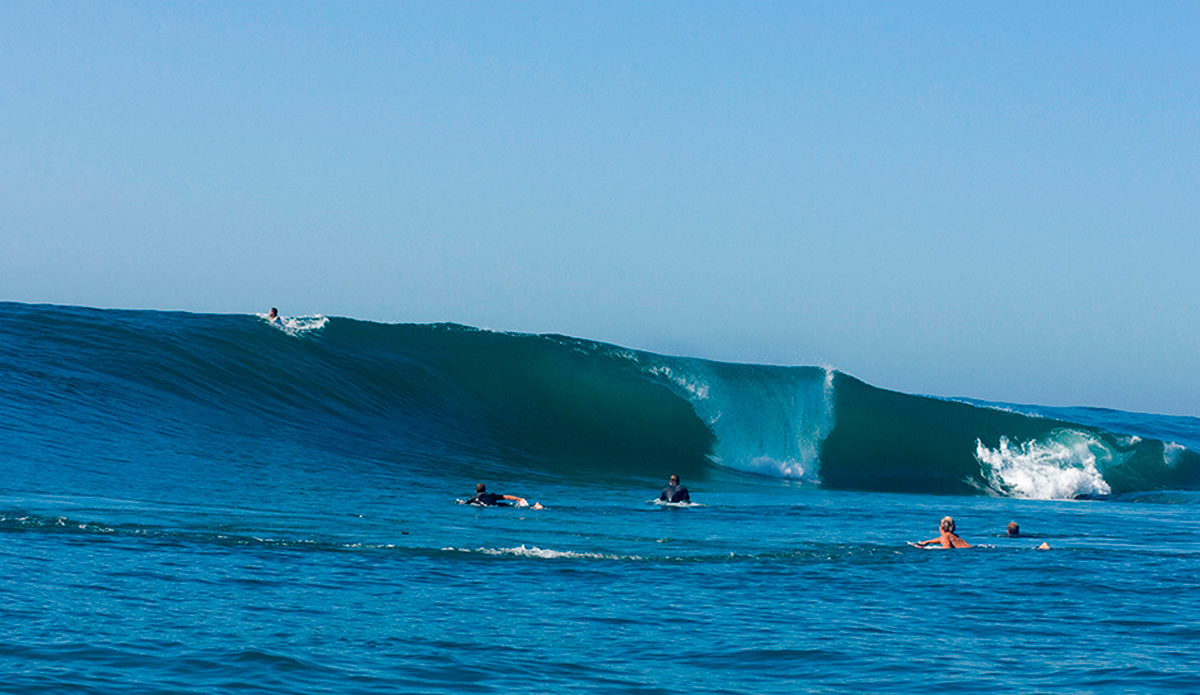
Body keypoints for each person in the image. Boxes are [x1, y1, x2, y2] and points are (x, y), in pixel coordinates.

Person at [466, 483, 542, 509]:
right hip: (499, 505)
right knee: (511, 506)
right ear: (485, 490)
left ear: (476, 491)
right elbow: (507, 497)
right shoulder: (492, 495)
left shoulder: (474, 498)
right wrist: (519, 499)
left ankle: (535, 507)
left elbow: (465, 503)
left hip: (490, 507)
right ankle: (535, 506)